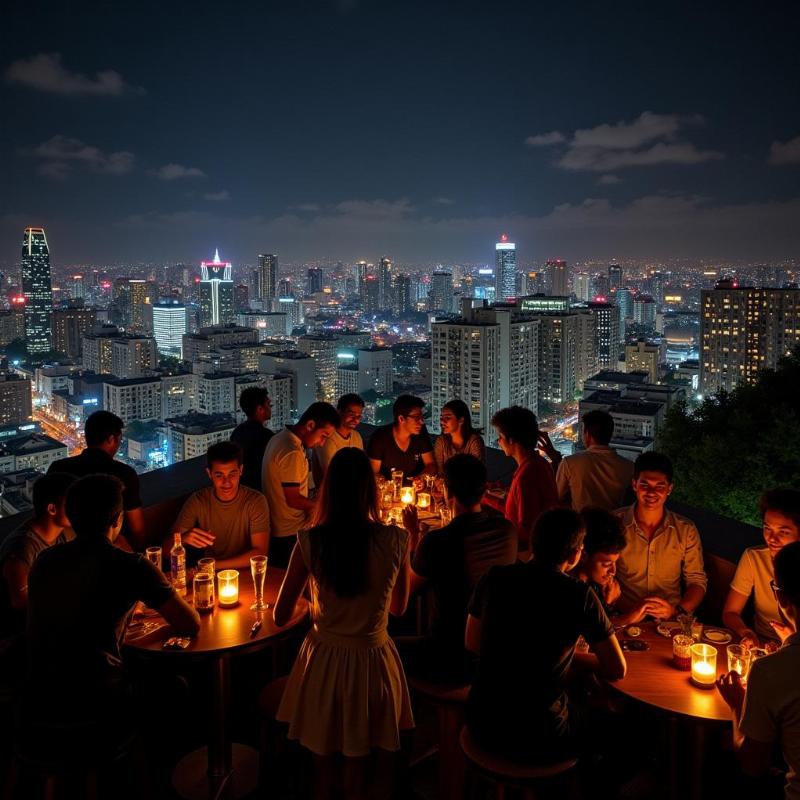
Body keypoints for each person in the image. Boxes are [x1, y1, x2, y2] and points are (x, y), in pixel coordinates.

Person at [273, 448, 414, 800]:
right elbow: (399, 608)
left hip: (323, 661)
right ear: (371, 490)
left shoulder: (309, 542)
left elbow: (278, 616)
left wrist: (311, 606)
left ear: (328, 490)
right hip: (374, 660)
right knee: (362, 764)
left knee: (322, 766)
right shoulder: (396, 540)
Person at [24, 475, 199, 735]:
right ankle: (153, 766)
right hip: (98, 699)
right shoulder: (131, 565)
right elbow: (190, 623)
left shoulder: (44, 560)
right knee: (177, 686)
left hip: (36, 696)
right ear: (118, 519)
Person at [465, 508, 626, 764]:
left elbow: (472, 643)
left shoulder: (494, 577)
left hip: (481, 721)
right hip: (539, 735)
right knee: (621, 730)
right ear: (576, 554)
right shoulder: (580, 595)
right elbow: (616, 668)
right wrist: (569, 656)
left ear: (533, 540)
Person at [399, 453, 516, 684]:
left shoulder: (437, 541)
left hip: (449, 654)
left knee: (386, 648)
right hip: (497, 650)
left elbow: (405, 596)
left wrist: (412, 535)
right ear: (484, 491)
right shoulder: (507, 531)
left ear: (448, 492)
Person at [717, 541, 800, 800]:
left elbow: (752, 765)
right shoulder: (776, 665)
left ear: (781, 597)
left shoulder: (769, 670)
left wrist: (736, 704)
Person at [614, 452, 707, 623]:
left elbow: (697, 581)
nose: (651, 492)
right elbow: (603, 575)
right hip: (624, 618)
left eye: (659, 486)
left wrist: (676, 610)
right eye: (645, 485)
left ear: (669, 489)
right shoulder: (614, 524)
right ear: (634, 484)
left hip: (670, 621)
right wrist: (632, 611)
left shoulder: (685, 530)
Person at [0, 472, 75, 685]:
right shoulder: (22, 549)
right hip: (20, 643)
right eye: (73, 503)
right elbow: (21, 604)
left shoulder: (61, 535)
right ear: (51, 509)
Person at [48, 410, 146, 549]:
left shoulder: (58, 468)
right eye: (119, 439)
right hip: (111, 553)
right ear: (111, 439)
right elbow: (138, 529)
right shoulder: (124, 474)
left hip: (66, 554)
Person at [262, 402, 340, 569]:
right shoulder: (292, 452)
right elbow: (294, 500)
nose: (321, 443)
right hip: (289, 532)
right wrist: (323, 506)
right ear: (310, 425)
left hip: (276, 527)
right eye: (323, 436)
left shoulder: (279, 437)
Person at [171, 441, 270, 569]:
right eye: (219, 475)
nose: (226, 482)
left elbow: (260, 553)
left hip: (246, 573)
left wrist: (212, 566)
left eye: (232, 474)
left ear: (241, 470)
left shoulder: (255, 501)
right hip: (211, 576)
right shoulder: (199, 501)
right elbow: (167, 548)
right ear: (209, 473)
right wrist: (183, 539)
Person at [723, 489, 800, 648]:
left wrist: (791, 641)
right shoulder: (754, 558)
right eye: (767, 528)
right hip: (761, 644)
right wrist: (746, 632)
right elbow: (730, 612)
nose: (772, 538)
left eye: (783, 532)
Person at [484, 406, 558, 551]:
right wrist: (485, 497)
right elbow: (514, 509)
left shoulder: (528, 474)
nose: (498, 441)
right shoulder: (536, 464)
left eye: (500, 437)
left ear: (511, 440)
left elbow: (525, 527)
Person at [556, 410, 634, 511]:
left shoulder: (570, 463)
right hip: (612, 524)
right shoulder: (628, 467)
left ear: (587, 434)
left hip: (581, 524)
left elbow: (556, 495)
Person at [571, 506, 627, 613]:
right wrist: (608, 605)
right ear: (583, 555)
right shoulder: (567, 587)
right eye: (606, 564)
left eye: (615, 562)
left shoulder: (597, 585)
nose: (613, 572)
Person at [367, 394, 435, 480]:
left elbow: (431, 464)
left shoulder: (421, 433)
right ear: (401, 419)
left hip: (416, 489)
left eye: (422, 417)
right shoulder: (380, 438)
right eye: (416, 417)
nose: (421, 421)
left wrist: (419, 479)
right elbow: (373, 473)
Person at [311, 393, 365, 487]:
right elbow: (331, 476)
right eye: (351, 415)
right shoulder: (327, 438)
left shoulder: (357, 437)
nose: (355, 420)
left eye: (359, 416)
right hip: (331, 495)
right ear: (339, 412)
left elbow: (361, 467)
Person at [230, 386, 274, 491]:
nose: (270, 407)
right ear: (260, 409)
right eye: (268, 404)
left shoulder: (237, 432)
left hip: (241, 490)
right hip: (261, 491)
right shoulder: (267, 436)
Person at [433, 399, 486, 473]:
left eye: (447, 418)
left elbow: (476, 473)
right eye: (441, 417)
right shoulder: (441, 441)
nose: (442, 421)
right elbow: (440, 471)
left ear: (461, 420)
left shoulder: (474, 442)